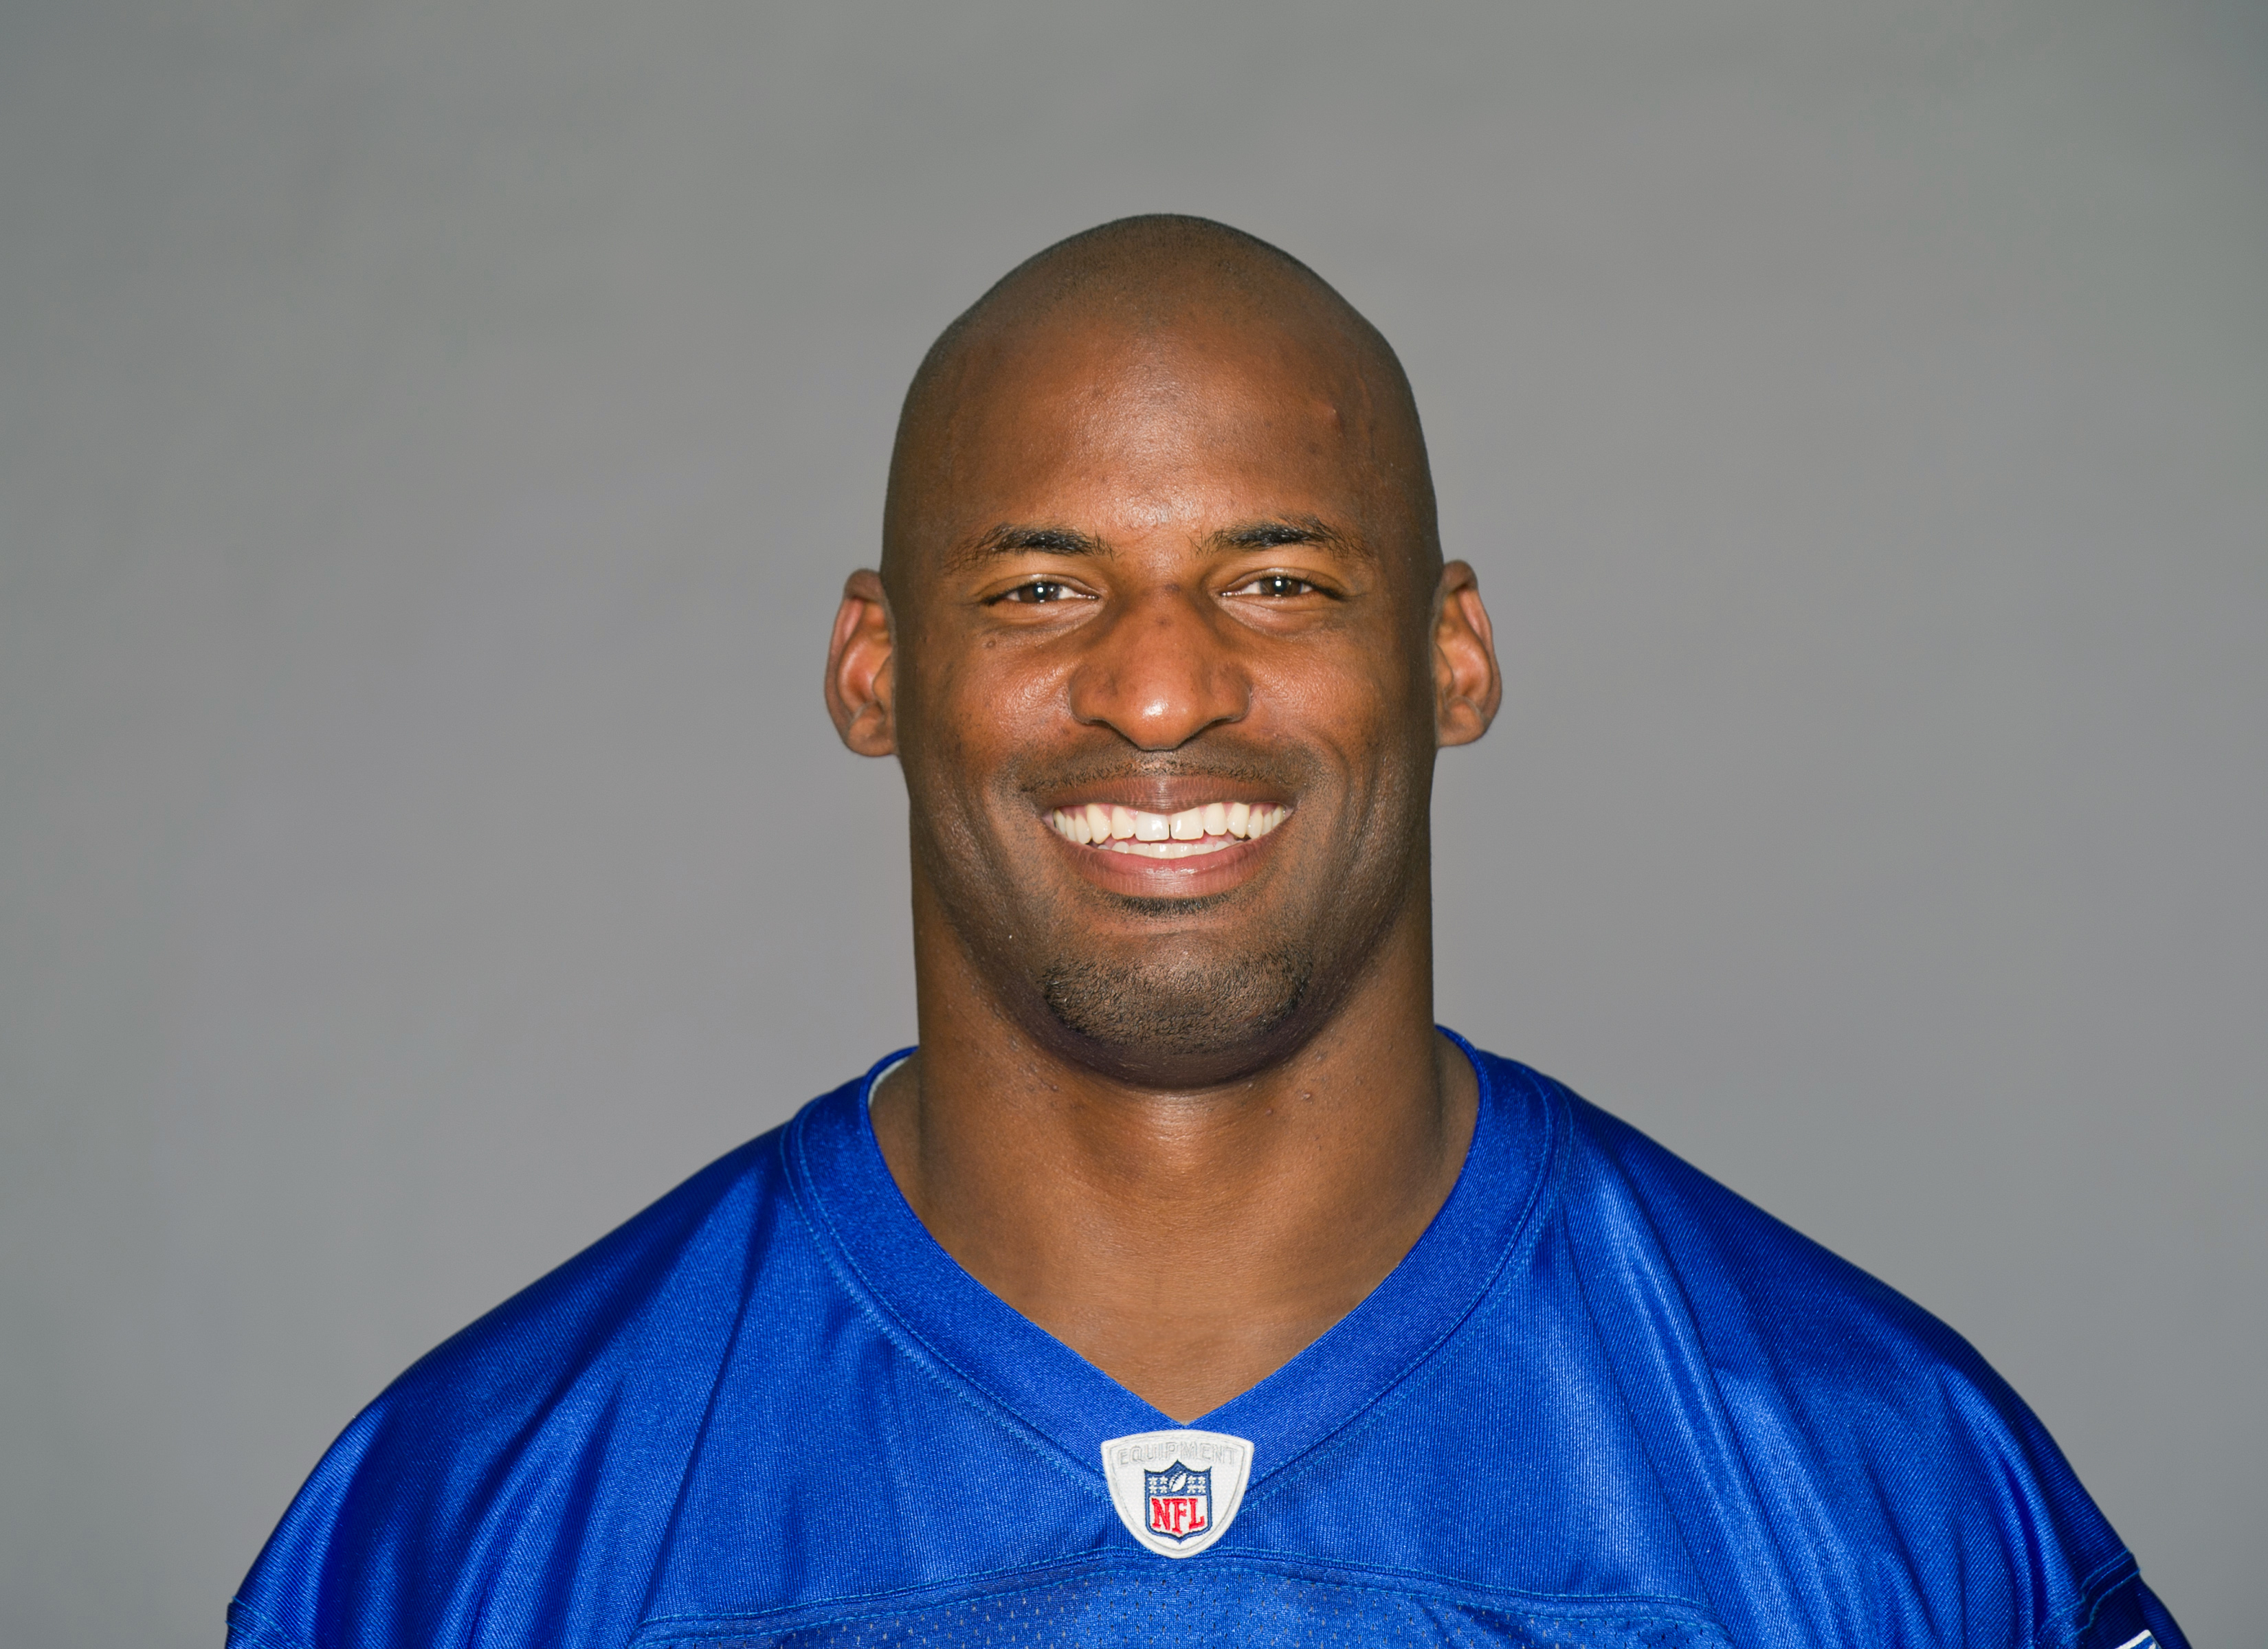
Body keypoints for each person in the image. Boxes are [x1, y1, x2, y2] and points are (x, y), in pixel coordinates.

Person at [228, 216, 2186, 1649]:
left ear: (1450, 655)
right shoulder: (471, 1514)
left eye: (1276, 581)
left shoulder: (1876, 1470)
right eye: (1039, 590)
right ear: (873, 669)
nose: (1159, 690)